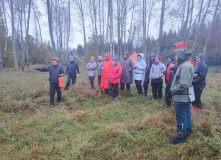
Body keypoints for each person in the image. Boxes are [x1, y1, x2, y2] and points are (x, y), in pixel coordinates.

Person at [170, 48, 194, 145]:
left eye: (177, 55)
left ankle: (180, 138)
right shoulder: (187, 65)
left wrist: (173, 89)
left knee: (181, 117)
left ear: (181, 56)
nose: (175, 56)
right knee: (186, 114)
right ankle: (188, 131)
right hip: (185, 96)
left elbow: (183, 84)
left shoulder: (184, 66)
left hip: (181, 97)